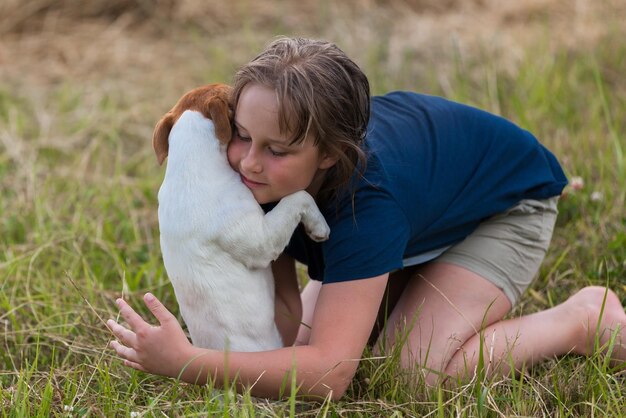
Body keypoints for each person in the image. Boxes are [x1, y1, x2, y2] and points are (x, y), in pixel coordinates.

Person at [107, 37, 626, 400]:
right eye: (242, 133)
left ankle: (581, 320)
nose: (247, 161)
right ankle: (410, 279)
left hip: (503, 208)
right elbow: (285, 318)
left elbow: (329, 376)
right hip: (417, 215)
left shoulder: (366, 204)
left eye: (278, 149)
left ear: (329, 154)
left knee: (413, 376)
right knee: (300, 350)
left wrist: (189, 364)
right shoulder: (257, 177)